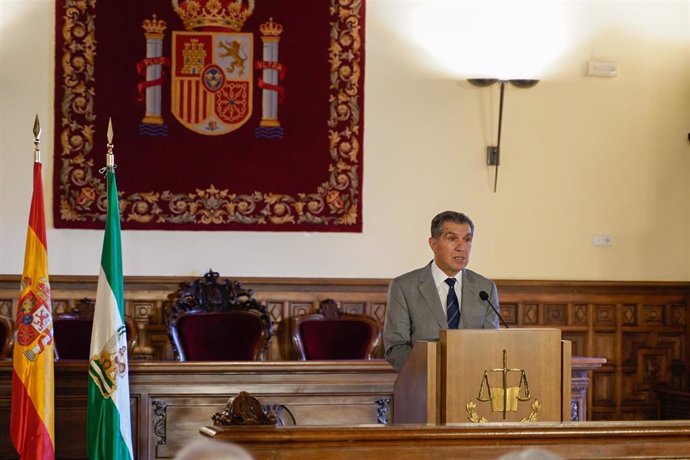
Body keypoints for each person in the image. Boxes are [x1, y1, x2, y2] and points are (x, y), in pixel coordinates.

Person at [383, 210, 500, 372]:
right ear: (433, 244)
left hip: (473, 386)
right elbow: (396, 348)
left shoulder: (485, 288)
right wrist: (433, 372)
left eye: (467, 240)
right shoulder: (403, 287)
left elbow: (492, 344)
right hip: (424, 386)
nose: (461, 247)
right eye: (452, 239)